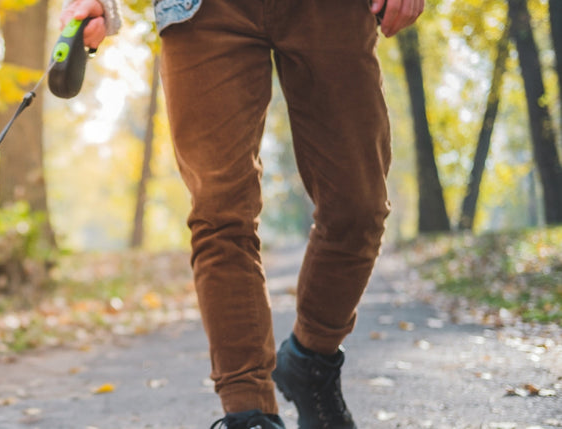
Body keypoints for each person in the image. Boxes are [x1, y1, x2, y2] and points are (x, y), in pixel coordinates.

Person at [58, 0, 423, 427]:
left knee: (358, 207)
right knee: (220, 213)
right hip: (202, 12)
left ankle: (311, 358)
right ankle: (249, 410)